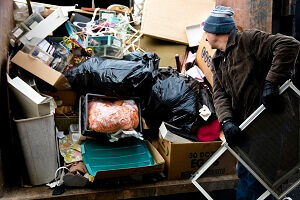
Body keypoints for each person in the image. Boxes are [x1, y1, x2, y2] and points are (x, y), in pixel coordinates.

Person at [203, 5, 300, 200]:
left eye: (206, 29)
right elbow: (219, 93)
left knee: (254, 178)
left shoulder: (248, 40)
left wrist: (271, 83)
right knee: (249, 175)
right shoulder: (217, 60)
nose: (204, 34)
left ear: (216, 31)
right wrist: (226, 121)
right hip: (246, 125)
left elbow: (289, 44)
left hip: (267, 121)